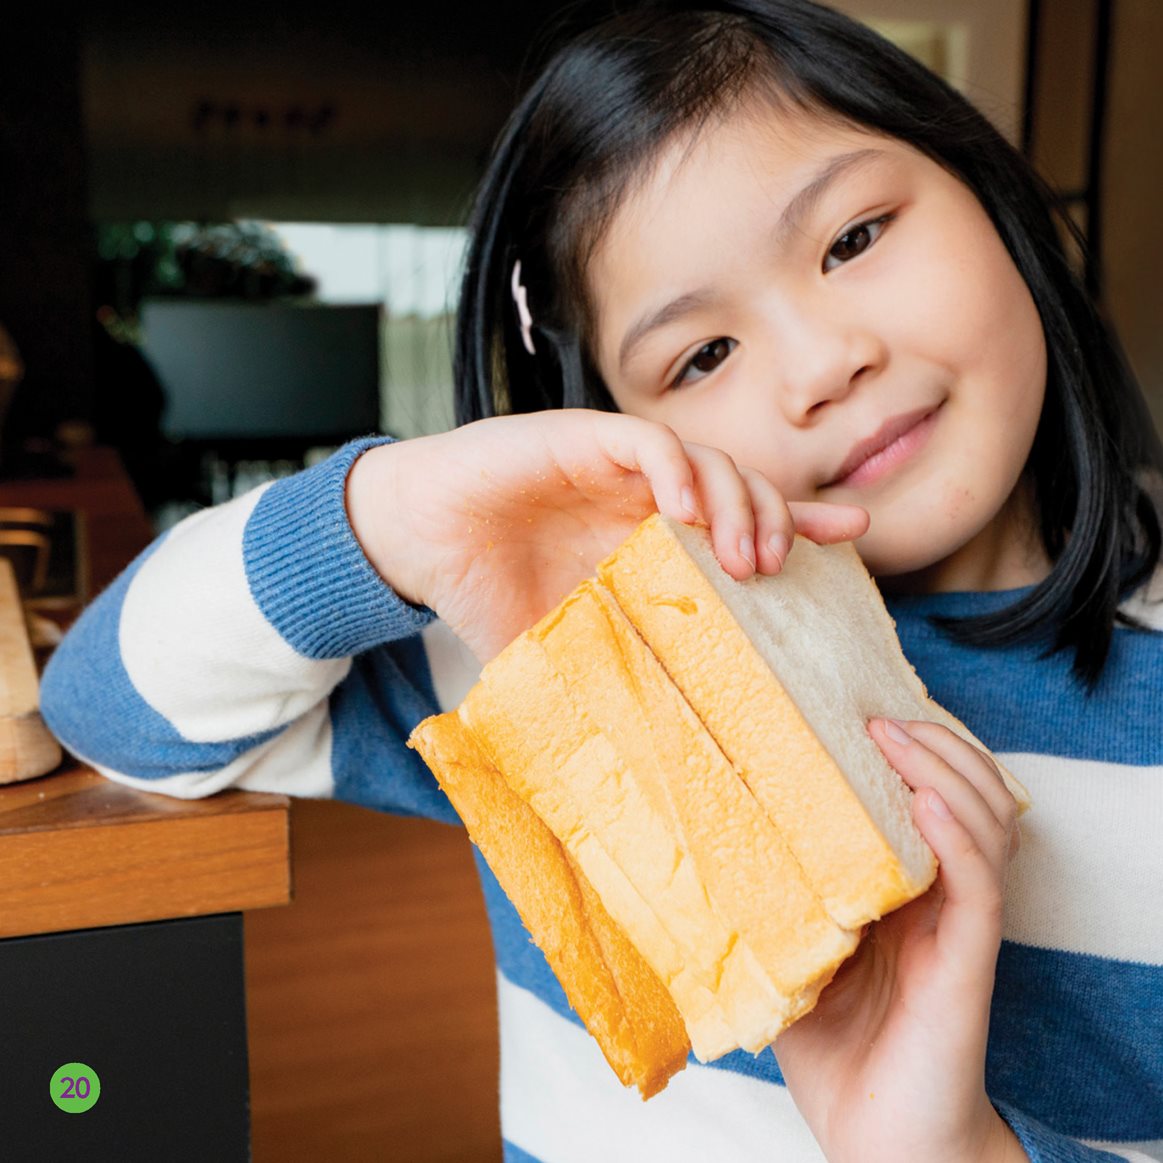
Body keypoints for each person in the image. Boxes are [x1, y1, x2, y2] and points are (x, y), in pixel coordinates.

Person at [40, 1, 1163, 1159]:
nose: (824, 366)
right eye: (701, 355)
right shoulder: (541, 663)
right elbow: (108, 708)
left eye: (852, 238)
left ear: (993, 193)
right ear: (610, 424)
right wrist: (382, 519)